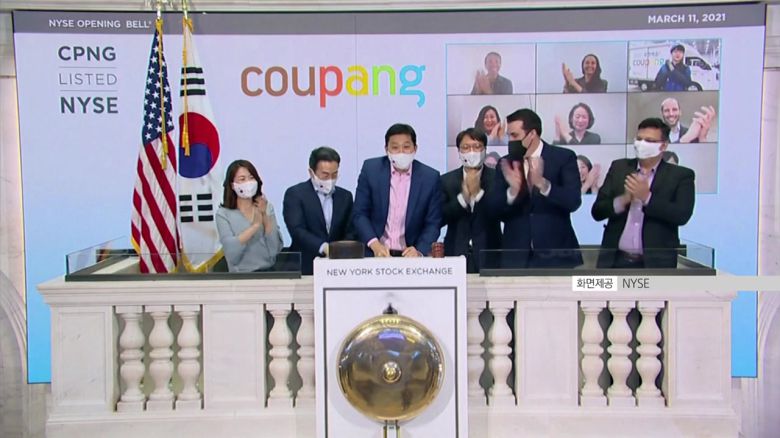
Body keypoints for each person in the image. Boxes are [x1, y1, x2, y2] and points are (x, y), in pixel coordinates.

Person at [592, 117, 695, 268]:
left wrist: (647, 197)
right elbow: (597, 212)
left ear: (663, 145)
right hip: (615, 261)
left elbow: (681, 215)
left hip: (656, 264)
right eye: (639, 139)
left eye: (649, 141)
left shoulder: (680, 176)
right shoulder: (619, 168)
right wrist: (624, 199)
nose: (642, 144)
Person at [485, 108, 583, 268]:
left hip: (556, 255)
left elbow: (573, 201)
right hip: (516, 256)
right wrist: (512, 192)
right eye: (509, 136)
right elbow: (493, 209)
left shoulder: (563, 157)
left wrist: (542, 184)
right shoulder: (505, 163)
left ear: (532, 134)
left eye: (515, 135)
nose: (511, 141)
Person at [352, 123, 442, 257]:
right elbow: (359, 214)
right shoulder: (371, 170)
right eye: (395, 147)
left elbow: (433, 223)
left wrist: (419, 250)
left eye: (406, 147)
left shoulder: (430, 177)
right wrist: (374, 244)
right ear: (386, 149)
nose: (401, 152)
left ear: (415, 148)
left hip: (410, 256)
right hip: (374, 252)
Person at [283, 147, 354, 275]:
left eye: (334, 174)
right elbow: (297, 230)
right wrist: (323, 247)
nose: (330, 179)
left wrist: (341, 250)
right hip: (305, 267)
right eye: (325, 175)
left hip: (338, 268)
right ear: (311, 172)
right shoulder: (295, 194)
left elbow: (350, 230)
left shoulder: (345, 196)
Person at [440, 128, 502, 272]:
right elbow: (440, 217)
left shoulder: (497, 178)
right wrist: (464, 198)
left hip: (491, 254)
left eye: (477, 146)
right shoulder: (446, 180)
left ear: (485, 150)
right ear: (459, 151)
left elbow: (500, 212)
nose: (471, 152)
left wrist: (478, 194)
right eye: (466, 147)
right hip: (455, 253)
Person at [216, 159, 284, 272]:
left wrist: (265, 216)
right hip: (240, 276)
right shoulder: (223, 214)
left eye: (251, 178)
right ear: (232, 185)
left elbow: (275, 249)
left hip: (268, 273)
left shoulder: (266, 207)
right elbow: (231, 254)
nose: (248, 182)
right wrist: (255, 226)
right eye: (242, 179)